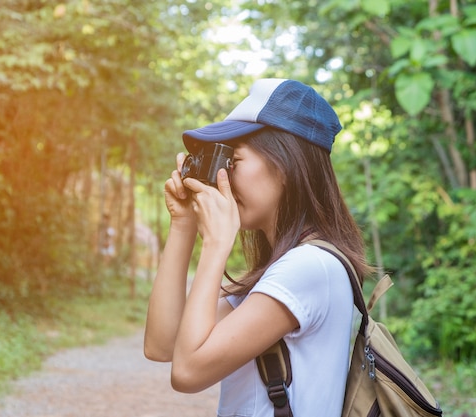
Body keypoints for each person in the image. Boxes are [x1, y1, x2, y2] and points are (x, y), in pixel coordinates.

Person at [144, 78, 374, 417]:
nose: (223, 177)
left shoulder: (309, 267)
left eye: (232, 162)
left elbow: (188, 372)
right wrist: (183, 225)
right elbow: (163, 345)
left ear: (285, 166)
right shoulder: (283, 269)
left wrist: (216, 243)